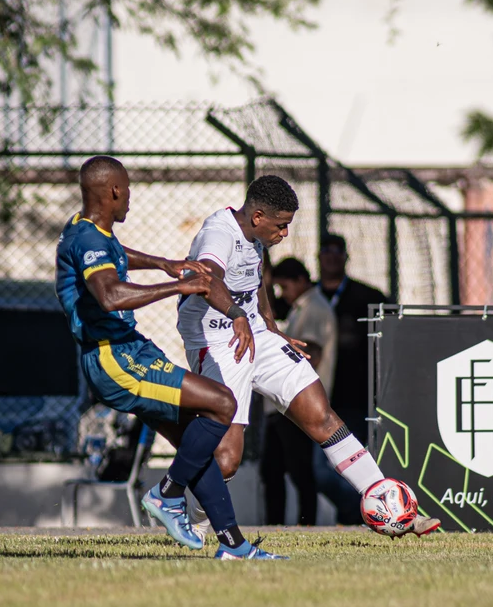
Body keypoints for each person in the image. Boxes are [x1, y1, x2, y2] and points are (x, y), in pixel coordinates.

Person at [174, 176, 439, 537]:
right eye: (282, 225)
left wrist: (270, 326)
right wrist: (238, 316)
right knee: (227, 458)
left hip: (254, 334)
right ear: (258, 216)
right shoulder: (217, 234)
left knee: (322, 416)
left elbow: (256, 282)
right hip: (218, 342)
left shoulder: (255, 238)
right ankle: (192, 519)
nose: (285, 233)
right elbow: (207, 280)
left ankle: (390, 507)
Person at [56, 155, 286, 560]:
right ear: (113, 191)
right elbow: (110, 296)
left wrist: (163, 263)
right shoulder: (89, 239)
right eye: (127, 190)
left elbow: (116, 251)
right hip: (116, 360)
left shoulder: (88, 231)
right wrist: (175, 287)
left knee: (192, 446)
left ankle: (233, 545)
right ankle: (167, 493)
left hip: (131, 350)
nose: (130, 198)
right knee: (222, 403)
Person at [315, 233, 391, 524]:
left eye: (338, 251)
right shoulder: (309, 297)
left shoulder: (367, 297)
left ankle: (356, 514)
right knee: (318, 472)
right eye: (326, 250)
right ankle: (357, 511)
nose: (332, 256)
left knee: (354, 462)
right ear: (319, 257)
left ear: (346, 257)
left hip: (354, 398)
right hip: (314, 396)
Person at [259, 257, 335, 526]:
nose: (282, 295)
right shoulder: (299, 308)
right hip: (283, 404)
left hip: (298, 402)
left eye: (285, 287)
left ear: (301, 281)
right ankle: (275, 523)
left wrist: (272, 363)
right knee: (272, 470)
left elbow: (311, 353)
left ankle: (307, 524)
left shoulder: (314, 308)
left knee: (300, 471)